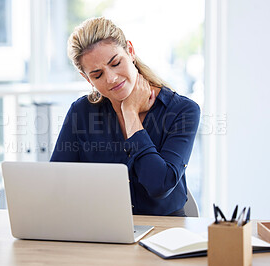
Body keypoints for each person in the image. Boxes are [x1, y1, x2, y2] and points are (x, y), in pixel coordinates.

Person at [50, 17, 200, 216]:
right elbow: (56, 184)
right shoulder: (81, 112)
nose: (111, 78)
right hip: (100, 227)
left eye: (115, 63)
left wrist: (130, 114)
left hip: (164, 231)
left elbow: (160, 186)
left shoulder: (182, 111)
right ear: (87, 79)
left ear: (130, 51)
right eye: (97, 75)